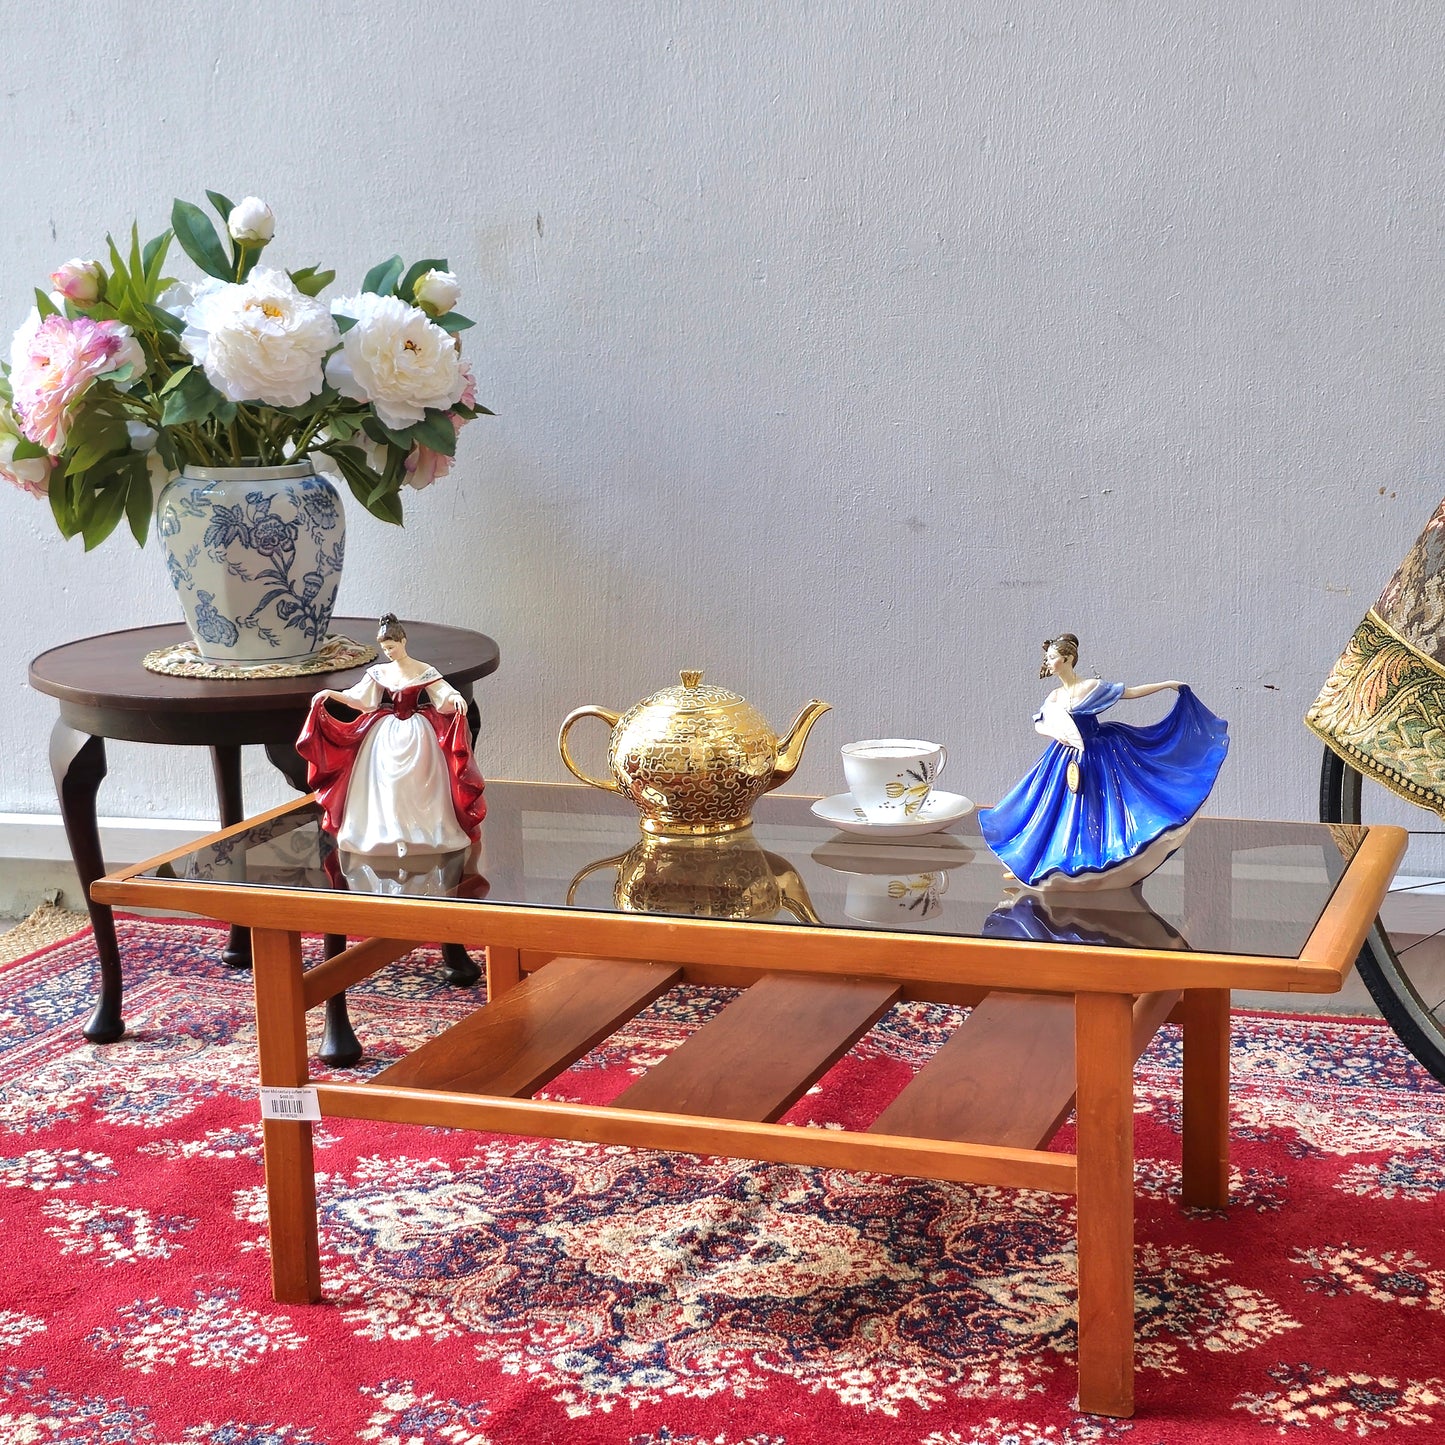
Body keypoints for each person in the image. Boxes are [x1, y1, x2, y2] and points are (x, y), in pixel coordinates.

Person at [978, 633, 1228, 889]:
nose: (1048, 662)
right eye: (1048, 658)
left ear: (1067, 659)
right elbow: (1042, 722)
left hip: (1099, 753)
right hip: (1066, 756)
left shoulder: (1090, 688)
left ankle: (1100, 865)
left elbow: (1129, 693)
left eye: (1052, 657)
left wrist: (1165, 685)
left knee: (1101, 808)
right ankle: (1030, 866)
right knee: (1048, 811)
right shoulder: (1054, 696)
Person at [296, 614, 486, 855]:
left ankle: (420, 830)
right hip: (385, 733)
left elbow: (442, 692)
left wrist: (455, 697)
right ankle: (387, 831)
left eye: (392, 647)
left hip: (418, 732)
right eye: (385, 649)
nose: (388, 653)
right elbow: (358, 697)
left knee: (420, 781)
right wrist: (330, 694)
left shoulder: (422, 669)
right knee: (383, 780)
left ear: (403, 642)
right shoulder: (379, 672)